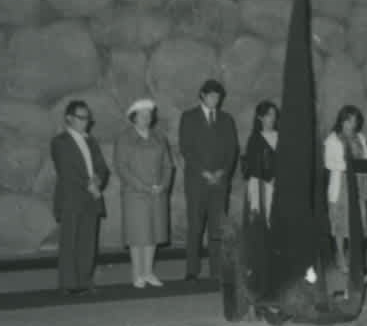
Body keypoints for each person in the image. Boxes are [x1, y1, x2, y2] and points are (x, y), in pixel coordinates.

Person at [177, 79, 239, 281]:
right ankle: (192, 270)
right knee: (195, 225)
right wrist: (204, 172)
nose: (215, 100)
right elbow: (186, 149)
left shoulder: (227, 119)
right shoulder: (188, 117)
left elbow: (232, 150)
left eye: (218, 97)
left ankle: (217, 269)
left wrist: (223, 172)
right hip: (197, 181)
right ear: (202, 95)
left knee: (218, 227)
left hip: (220, 182)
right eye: (212, 96)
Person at [50, 99, 110, 296]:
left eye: (87, 118)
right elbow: (67, 170)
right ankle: (68, 284)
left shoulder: (91, 141)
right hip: (71, 198)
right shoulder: (60, 142)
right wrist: (89, 185)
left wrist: (98, 180)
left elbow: (102, 167)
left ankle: (85, 280)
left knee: (88, 241)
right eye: (81, 117)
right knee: (70, 241)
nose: (86, 121)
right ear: (69, 118)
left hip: (91, 197)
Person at [115, 97, 173, 288]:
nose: (147, 118)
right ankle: (137, 274)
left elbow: (168, 165)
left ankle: (148, 272)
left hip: (157, 192)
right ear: (133, 117)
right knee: (138, 234)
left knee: (153, 233)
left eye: (149, 115)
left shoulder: (159, 137)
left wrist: (163, 185)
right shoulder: (124, 139)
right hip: (135, 193)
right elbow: (122, 168)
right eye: (142, 115)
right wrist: (143, 187)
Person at [324, 105, 367, 275]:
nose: (351, 124)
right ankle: (340, 257)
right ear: (341, 120)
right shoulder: (332, 139)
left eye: (354, 121)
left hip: (358, 185)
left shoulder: (360, 137)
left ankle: (353, 257)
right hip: (341, 187)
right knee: (340, 224)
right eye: (348, 120)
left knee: (357, 223)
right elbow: (329, 163)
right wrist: (349, 166)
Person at [240, 100, 279, 297]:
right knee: (262, 220)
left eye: (274, 115)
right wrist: (267, 178)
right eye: (269, 114)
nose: (272, 118)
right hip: (261, 187)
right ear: (260, 117)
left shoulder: (281, 137)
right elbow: (251, 167)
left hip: (278, 186)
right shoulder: (255, 139)